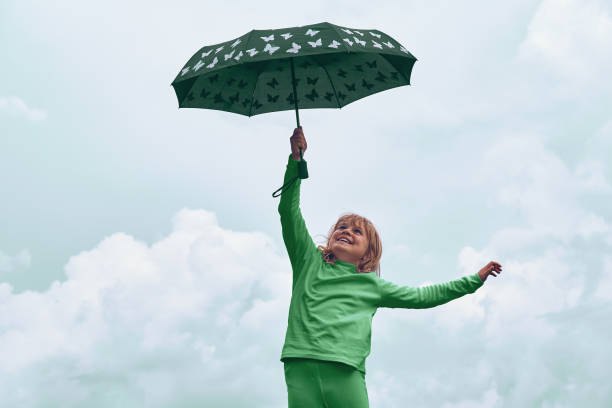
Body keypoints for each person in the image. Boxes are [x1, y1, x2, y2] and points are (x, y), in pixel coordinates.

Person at [279, 127, 502, 408]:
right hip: (300, 365)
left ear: (367, 255)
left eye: (357, 232)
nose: (347, 231)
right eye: (342, 227)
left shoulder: (372, 286)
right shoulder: (307, 261)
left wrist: (473, 280)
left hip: (345, 371)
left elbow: (423, 297)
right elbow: (288, 211)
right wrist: (296, 162)